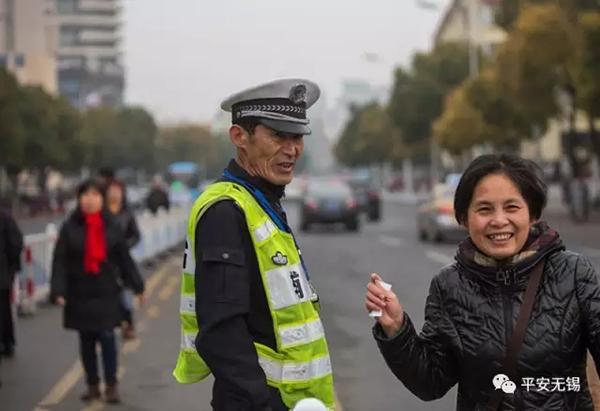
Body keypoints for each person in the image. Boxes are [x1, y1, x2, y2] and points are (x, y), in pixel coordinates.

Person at [364, 153, 600, 410]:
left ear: (532, 214)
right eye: (484, 209)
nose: (499, 220)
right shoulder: (449, 284)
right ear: (464, 218)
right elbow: (430, 382)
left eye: (512, 207)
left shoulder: (574, 273)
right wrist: (397, 329)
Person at [173, 79, 336, 411]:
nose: (291, 150)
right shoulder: (225, 210)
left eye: (297, 137)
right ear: (239, 138)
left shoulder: (262, 201)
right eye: (278, 136)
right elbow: (221, 331)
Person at [50, 179, 145, 404]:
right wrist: (58, 290)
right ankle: (92, 384)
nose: (89, 199)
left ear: (101, 199)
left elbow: (124, 260)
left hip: (106, 291)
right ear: (79, 199)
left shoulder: (111, 226)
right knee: (86, 341)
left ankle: (111, 384)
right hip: (79, 292)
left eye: (94, 195)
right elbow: (60, 261)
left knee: (107, 337)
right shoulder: (70, 227)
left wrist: (138, 286)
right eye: (85, 195)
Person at [106, 180, 141, 340]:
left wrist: (125, 246)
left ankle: (128, 323)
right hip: (106, 262)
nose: (114, 194)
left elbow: (136, 235)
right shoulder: (102, 213)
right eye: (111, 191)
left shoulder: (127, 213)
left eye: (117, 191)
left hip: (124, 261)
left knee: (126, 296)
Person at [0, 211, 23, 358]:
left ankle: (7, 342)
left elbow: (15, 245)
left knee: (3, 310)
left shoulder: (5, 219)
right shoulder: (5, 218)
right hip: (4, 273)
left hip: (3, 273)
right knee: (4, 310)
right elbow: (16, 244)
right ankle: (7, 342)